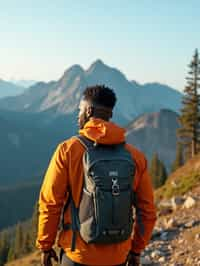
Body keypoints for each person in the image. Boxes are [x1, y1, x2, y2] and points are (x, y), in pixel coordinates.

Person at [36, 85, 156, 266]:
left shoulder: (68, 150)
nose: (77, 115)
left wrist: (45, 245)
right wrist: (136, 250)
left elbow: (51, 202)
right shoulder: (135, 157)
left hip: (78, 256)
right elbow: (147, 211)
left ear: (89, 110)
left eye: (79, 110)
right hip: (118, 257)